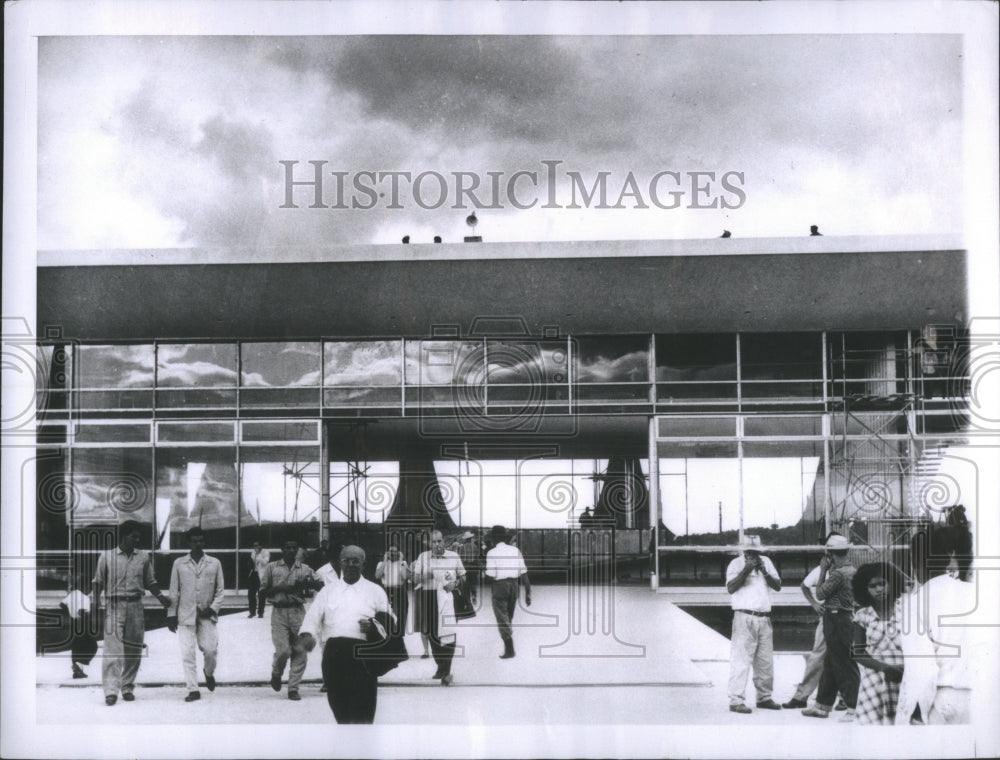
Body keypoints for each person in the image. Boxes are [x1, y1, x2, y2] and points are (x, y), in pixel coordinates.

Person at [896, 511, 982, 725]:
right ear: (948, 556)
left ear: (914, 562)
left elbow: (922, 668)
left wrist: (917, 713)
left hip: (942, 700)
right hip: (981, 697)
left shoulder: (915, 603)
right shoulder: (974, 593)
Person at [300, 546, 393, 724]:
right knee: (340, 710)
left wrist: (374, 626)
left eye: (355, 561)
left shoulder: (375, 590)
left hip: (364, 656)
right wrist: (307, 634)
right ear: (340, 563)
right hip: (334, 656)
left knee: (364, 712)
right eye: (346, 561)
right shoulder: (328, 591)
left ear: (363, 564)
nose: (351, 565)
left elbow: (391, 620)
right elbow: (313, 616)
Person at [90, 520, 171, 706]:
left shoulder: (143, 557)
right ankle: (111, 691)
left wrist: (161, 597)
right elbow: (97, 582)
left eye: (138, 536)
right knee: (112, 650)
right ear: (124, 536)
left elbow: (150, 581)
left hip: (135, 606)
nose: (137, 539)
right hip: (114, 605)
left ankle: (127, 687)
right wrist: (95, 604)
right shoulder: (106, 557)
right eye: (133, 536)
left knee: (133, 650)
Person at [782, 534, 847, 710]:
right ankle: (802, 696)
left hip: (846, 618)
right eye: (834, 552)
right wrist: (814, 605)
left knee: (845, 657)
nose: (837, 556)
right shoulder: (820, 571)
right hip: (828, 618)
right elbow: (806, 586)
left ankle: (844, 698)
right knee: (818, 656)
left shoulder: (848, 570)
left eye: (841, 552)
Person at [802, 533, 860, 721]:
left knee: (843, 663)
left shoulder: (837, 574)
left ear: (831, 554)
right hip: (842, 618)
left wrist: (822, 570)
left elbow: (819, 594)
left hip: (837, 619)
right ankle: (823, 705)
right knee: (831, 662)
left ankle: (853, 706)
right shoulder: (852, 570)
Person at [259, 538, 323, 700]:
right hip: (279, 611)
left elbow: (321, 585)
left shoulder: (305, 569)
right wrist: (279, 588)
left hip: (298, 612)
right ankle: (276, 673)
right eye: (287, 547)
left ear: (297, 550)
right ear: (282, 549)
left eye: (294, 548)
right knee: (283, 651)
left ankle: (293, 688)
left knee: (300, 651)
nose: (291, 551)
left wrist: (308, 584)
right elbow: (262, 592)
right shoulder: (272, 567)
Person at [166, 527, 226, 702]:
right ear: (189, 543)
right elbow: (173, 591)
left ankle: (208, 673)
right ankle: (193, 689)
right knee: (187, 653)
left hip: (207, 615)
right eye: (194, 541)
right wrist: (171, 614)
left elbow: (220, 590)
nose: (198, 544)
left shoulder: (215, 563)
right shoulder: (179, 563)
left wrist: (213, 608)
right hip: (185, 615)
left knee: (210, 650)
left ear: (204, 542)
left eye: (200, 540)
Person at [724, 534, 782, 714]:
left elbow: (778, 585)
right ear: (743, 551)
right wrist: (745, 571)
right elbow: (731, 588)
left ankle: (764, 697)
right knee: (741, 659)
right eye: (749, 552)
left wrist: (764, 570)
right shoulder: (735, 564)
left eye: (755, 553)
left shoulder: (766, 562)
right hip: (744, 616)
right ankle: (736, 700)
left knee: (765, 661)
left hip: (764, 616)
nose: (753, 556)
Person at [851, 561, 906, 725]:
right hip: (874, 681)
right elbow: (858, 653)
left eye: (882, 583)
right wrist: (884, 668)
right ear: (865, 590)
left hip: (903, 677)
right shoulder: (862, 616)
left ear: (891, 583)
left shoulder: (905, 611)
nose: (879, 589)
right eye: (872, 586)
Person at [412, 529, 465, 685]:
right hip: (429, 596)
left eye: (439, 541)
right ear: (429, 543)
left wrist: (455, 584)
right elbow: (414, 579)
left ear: (444, 541)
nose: (437, 544)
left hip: (447, 597)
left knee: (448, 632)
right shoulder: (423, 557)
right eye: (434, 542)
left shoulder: (454, 556)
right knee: (432, 633)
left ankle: (446, 668)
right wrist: (427, 575)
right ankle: (440, 665)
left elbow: (463, 575)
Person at [484, 525, 532, 659]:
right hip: (514, 585)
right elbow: (524, 573)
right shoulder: (515, 550)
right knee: (508, 615)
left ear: (493, 539)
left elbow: (491, 575)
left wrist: (484, 573)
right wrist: (528, 593)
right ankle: (508, 639)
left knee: (501, 616)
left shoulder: (491, 553)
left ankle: (509, 648)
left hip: (500, 585)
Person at [60, 574, 98, 680]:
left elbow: (62, 605)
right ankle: (79, 664)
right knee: (92, 646)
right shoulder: (85, 598)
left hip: (73, 623)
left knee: (76, 646)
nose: (90, 592)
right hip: (83, 624)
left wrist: (69, 614)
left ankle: (77, 671)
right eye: (90, 589)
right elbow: (82, 611)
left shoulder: (72, 594)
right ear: (85, 587)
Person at [375, 544, 410, 637]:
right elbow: (377, 576)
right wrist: (385, 561)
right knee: (387, 613)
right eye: (391, 551)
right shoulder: (381, 563)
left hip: (400, 590)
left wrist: (401, 561)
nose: (393, 553)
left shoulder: (403, 563)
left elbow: (405, 577)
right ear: (387, 552)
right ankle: (387, 634)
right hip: (387, 591)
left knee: (401, 614)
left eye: (395, 551)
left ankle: (400, 635)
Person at [455, 532, 481, 604]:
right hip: (474, 567)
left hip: (465, 567)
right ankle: (473, 595)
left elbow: (460, 559)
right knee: (473, 583)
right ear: (470, 539)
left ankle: (467, 599)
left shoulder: (462, 547)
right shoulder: (475, 546)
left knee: (466, 584)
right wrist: (478, 568)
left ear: (465, 539)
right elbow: (477, 558)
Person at [247, 541, 270, 618]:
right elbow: (252, 563)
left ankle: (260, 613)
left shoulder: (266, 552)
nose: (255, 547)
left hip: (261, 575)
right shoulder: (253, 552)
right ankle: (252, 612)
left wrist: (259, 555)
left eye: (257, 545)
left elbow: (265, 563)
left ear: (261, 546)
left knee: (261, 594)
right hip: (254, 574)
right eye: (254, 545)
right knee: (251, 594)